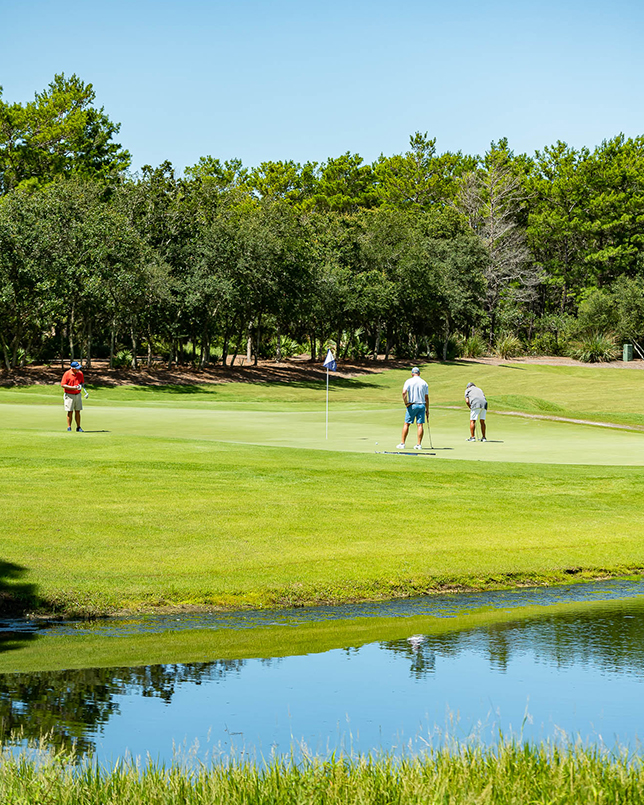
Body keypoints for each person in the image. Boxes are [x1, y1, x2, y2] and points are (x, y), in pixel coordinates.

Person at [397, 367, 429, 450]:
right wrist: (427, 409)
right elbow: (426, 397)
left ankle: (402, 443)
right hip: (422, 405)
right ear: (419, 373)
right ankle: (418, 445)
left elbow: (404, 392)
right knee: (420, 425)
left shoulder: (409, 381)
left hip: (412, 405)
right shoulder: (424, 383)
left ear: (412, 374)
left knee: (407, 423)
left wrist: (406, 403)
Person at [61, 361, 84, 432]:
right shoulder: (67, 374)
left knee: (78, 411)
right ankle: (69, 427)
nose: (78, 369)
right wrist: (73, 388)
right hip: (69, 395)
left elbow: (82, 382)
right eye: (77, 368)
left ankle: (78, 427)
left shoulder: (80, 373)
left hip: (78, 395)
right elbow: (63, 385)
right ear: (72, 368)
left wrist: (80, 386)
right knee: (70, 411)